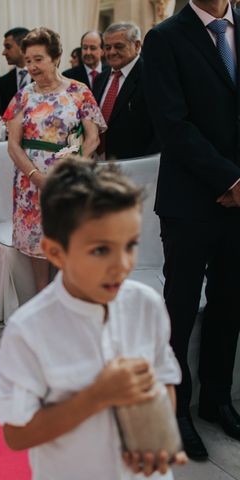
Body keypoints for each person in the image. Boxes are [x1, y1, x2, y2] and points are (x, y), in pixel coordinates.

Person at [0, 156, 188, 479]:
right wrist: (97, 396)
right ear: (55, 253)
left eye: (130, 245)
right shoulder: (28, 331)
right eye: (101, 250)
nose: (122, 265)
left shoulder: (147, 305)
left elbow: (164, 379)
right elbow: (17, 434)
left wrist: (158, 440)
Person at [143, 0, 240, 460]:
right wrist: (228, 180)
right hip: (189, 201)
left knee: (231, 299)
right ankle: (175, 406)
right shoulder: (164, 38)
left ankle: (216, 398)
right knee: (180, 306)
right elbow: (172, 124)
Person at [4, 27, 105, 292]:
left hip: (69, 177)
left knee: (67, 237)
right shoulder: (23, 95)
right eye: (28, 61)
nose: (32, 66)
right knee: (39, 241)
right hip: (31, 179)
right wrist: (36, 177)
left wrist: (67, 171)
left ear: (56, 57)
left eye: (38, 59)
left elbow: (92, 138)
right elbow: (13, 145)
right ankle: (42, 298)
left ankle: (68, 298)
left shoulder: (79, 91)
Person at [93, 22, 157, 160]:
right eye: (107, 47)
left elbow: (160, 127)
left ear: (137, 45)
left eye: (119, 46)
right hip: (99, 162)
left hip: (136, 164)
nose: (111, 52)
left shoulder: (151, 76)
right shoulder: (100, 79)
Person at [0, 27, 31, 114]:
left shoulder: (44, 77)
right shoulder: (2, 82)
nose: (4, 52)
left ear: (23, 47)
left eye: (8, 47)